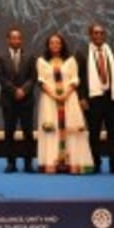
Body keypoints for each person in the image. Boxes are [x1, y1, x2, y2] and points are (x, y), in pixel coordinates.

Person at [76, 24, 114, 175]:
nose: (99, 35)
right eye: (95, 33)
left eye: (101, 33)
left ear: (105, 35)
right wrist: (81, 98)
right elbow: (78, 78)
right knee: (94, 133)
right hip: (93, 99)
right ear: (90, 35)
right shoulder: (82, 53)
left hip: (112, 98)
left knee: (113, 132)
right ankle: (95, 163)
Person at [36, 33, 93, 174]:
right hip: (49, 100)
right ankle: (51, 162)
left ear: (62, 45)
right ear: (48, 45)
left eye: (58, 43)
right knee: (51, 128)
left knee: (71, 128)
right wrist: (55, 95)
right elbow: (41, 81)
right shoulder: (42, 61)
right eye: (52, 43)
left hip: (69, 99)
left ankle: (72, 162)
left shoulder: (71, 61)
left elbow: (75, 80)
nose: (55, 45)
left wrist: (65, 95)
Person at [0, 27, 37, 173]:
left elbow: (33, 77)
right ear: (8, 40)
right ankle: (10, 163)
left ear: (21, 40)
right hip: (9, 100)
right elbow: (0, 77)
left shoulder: (30, 56)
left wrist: (23, 90)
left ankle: (28, 163)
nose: (16, 40)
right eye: (13, 38)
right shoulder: (0, 56)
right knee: (9, 133)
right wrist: (14, 90)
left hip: (26, 101)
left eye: (18, 38)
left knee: (28, 133)